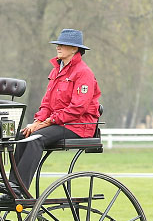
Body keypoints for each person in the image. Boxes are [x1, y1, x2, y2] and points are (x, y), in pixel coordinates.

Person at [5, 28, 101, 194]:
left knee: (36, 139)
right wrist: (36, 122)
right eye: (58, 44)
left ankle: (19, 188)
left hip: (78, 126)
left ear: (74, 49)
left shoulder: (83, 73)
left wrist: (47, 122)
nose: (58, 47)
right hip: (59, 123)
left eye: (63, 45)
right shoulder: (56, 71)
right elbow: (47, 103)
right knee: (23, 135)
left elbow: (78, 108)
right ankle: (12, 186)